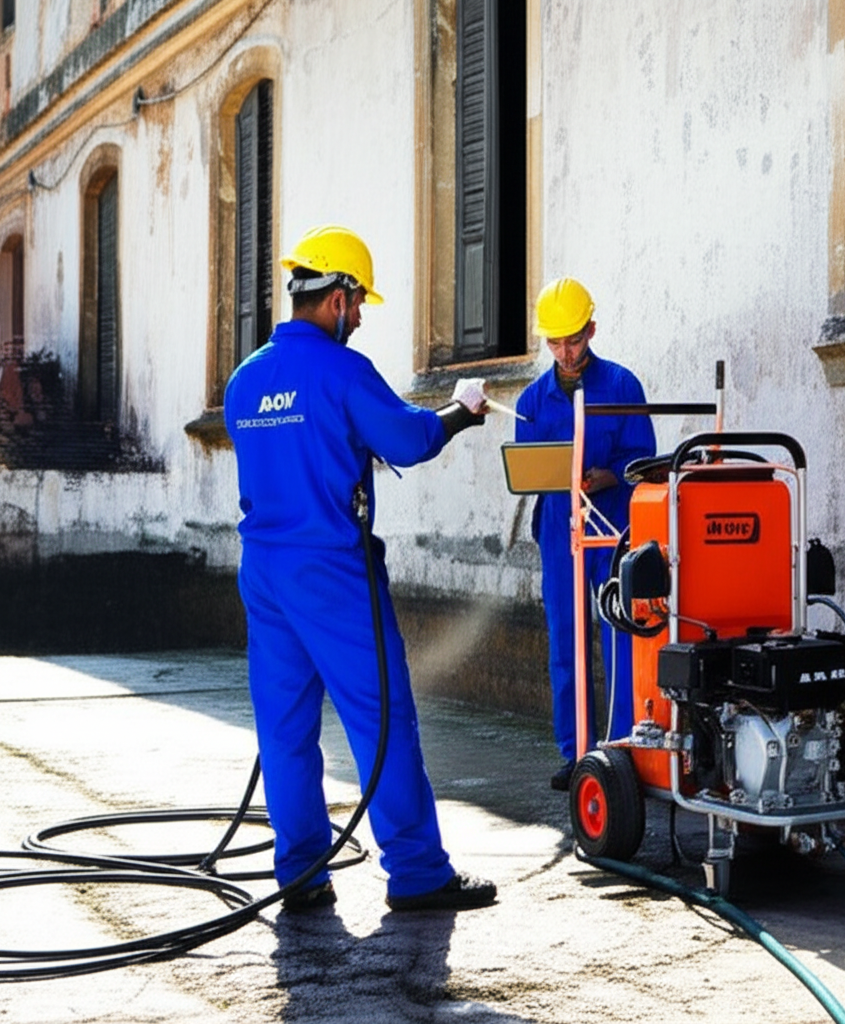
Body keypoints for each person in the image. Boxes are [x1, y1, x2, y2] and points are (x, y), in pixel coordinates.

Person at [224, 224, 497, 913]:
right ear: (339, 298)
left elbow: (281, 458)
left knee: (285, 730)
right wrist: (462, 414)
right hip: (333, 572)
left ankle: (300, 873)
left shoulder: (244, 381)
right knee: (383, 719)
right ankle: (416, 871)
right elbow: (408, 437)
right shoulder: (343, 371)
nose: (361, 315)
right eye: (359, 301)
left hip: (264, 572)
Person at [515, 277, 656, 791]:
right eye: (554, 342)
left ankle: (621, 751)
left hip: (615, 523)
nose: (565, 351)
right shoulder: (533, 399)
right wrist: (562, 478)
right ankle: (575, 752)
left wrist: (609, 474)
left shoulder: (622, 386)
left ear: (591, 330)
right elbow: (528, 467)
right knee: (565, 639)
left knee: (619, 633)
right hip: (559, 525)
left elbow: (644, 457)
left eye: (573, 339)